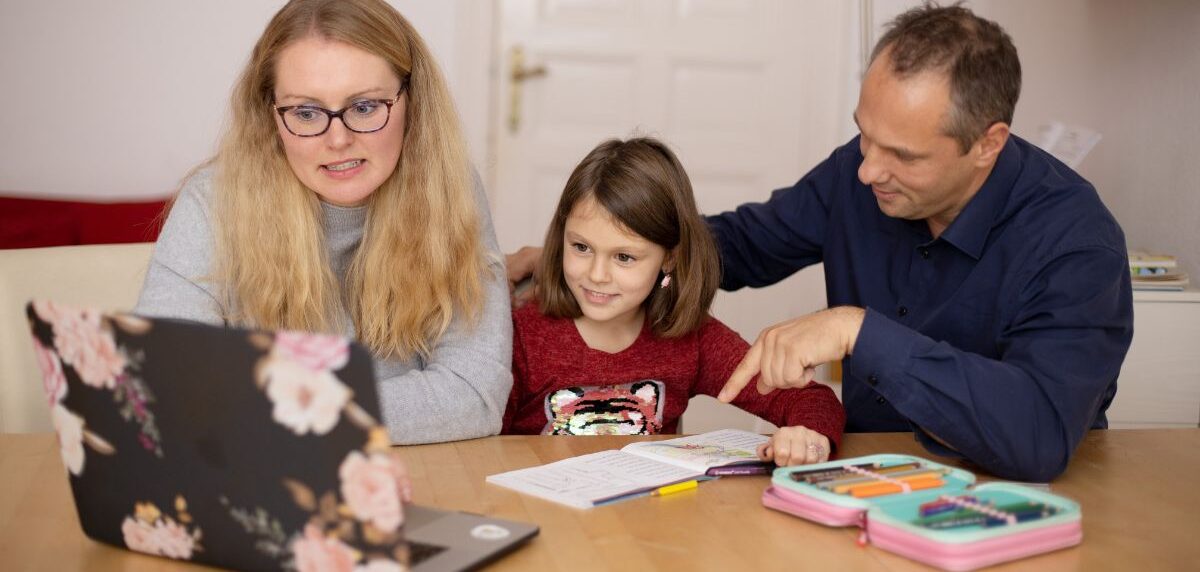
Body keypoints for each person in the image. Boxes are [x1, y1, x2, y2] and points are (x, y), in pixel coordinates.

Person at [508, 5, 1133, 481]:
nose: (867, 171)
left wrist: (860, 332)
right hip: (857, 476)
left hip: (1008, 491)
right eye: (865, 135)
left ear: (987, 145)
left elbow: (1040, 434)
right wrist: (623, 248)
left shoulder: (1076, 244)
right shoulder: (856, 176)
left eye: (902, 155)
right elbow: (741, 244)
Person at [136, 0, 512, 445]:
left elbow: (474, 395)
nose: (338, 139)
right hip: (262, 485)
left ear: (413, 101)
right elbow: (162, 388)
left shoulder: (451, 189)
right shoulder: (211, 202)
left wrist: (263, 409)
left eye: (366, 107)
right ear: (270, 114)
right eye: (306, 113)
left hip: (421, 473)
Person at [504, 137, 845, 466]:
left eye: (623, 257)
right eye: (581, 247)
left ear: (669, 259)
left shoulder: (692, 339)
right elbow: (479, 446)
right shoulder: (521, 337)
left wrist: (807, 437)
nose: (596, 274)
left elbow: (811, 398)